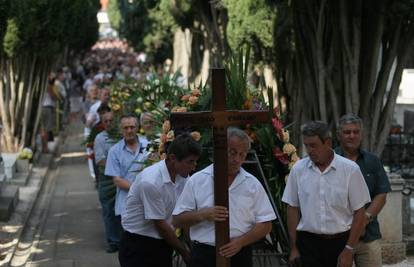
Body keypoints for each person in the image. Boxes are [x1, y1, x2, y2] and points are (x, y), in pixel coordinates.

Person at [172, 127, 276, 267]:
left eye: (242, 154)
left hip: (240, 253)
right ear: (220, 151)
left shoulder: (252, 184)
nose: (237, 159)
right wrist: (203, 214)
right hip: (204, 254)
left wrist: (241, 242)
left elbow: (266, 224)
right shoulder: (198, 180)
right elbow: (177, 220)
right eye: (232, 153)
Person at [282, 121, 371, 267]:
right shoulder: (298, 170)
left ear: (328, 142)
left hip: (340, 243)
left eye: (314, 145)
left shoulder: (350, 170)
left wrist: (349, 249)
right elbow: (292, 208)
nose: (309, 150)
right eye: (307, 145)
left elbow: (359, 212)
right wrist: (294, 247)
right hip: (307, 243)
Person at [119, 134, 202, 267]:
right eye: (190, 161)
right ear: (173, 158)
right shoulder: (151, 181)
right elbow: (161, 225)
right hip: (138, 245)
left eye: (195, 161)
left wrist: (191, 247)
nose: (194, 167)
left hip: (162, 244)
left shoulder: (183, 178)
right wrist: (185, 253)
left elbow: (184, 214)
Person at [335, 114, 391, 267]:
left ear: (361, 134)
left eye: (356, 132)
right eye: (347, 132)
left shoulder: (372, 161)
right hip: (337, 238)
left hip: (368, 236)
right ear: (338, 134)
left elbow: (381, 193)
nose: (352, 136)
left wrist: (364, 220)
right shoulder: (330, 161)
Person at [104, 114, 149, 219]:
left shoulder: (149, 145)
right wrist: (139, 190)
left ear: (137, 128)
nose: (129, 130)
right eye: (126, 128)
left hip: (148, 203)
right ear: (121, 130)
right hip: (126, 205)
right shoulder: (114, 151)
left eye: (132, 127)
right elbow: (117, 180)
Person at [94, 106, 122, 253]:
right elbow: (100, 160)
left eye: (112, 120)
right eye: (106, 121)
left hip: (122, 179)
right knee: (109, 212)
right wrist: (117, 167)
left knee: (122, 211)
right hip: (107, 181)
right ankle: (113, 242)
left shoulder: (121, 136)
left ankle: (122, 240)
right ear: (102, 123)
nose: (109, 123)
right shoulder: (100, 138)